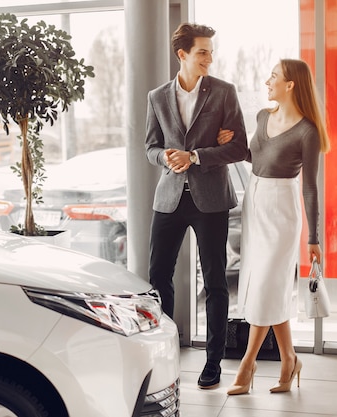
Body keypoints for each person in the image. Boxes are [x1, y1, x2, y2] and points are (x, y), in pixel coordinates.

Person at [145, 22, 249, 390]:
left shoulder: (223, 93)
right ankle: (164, 354)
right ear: (182, 55)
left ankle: (214, 362)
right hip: (170, 199)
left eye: (210, 51)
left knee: (217, 281)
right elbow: (150, 147)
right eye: (202, 51)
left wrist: (196, 156)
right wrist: (166, 158)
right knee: (158, 278)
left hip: (211, 200)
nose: (209, 57)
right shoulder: (157, 97)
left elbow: (239, 148)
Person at [226, 58, 331, 396]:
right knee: (266, 286)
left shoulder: (308, 131)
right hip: (254, 202)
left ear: (291, 85)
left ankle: (248, 362)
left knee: (267, 284)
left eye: (274, 76)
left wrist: (314, 238)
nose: (267, 80)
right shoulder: (262, 117)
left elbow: (311, 187)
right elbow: (258, 158)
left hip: (282, 209)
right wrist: (232, 143)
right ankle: (289, 359)